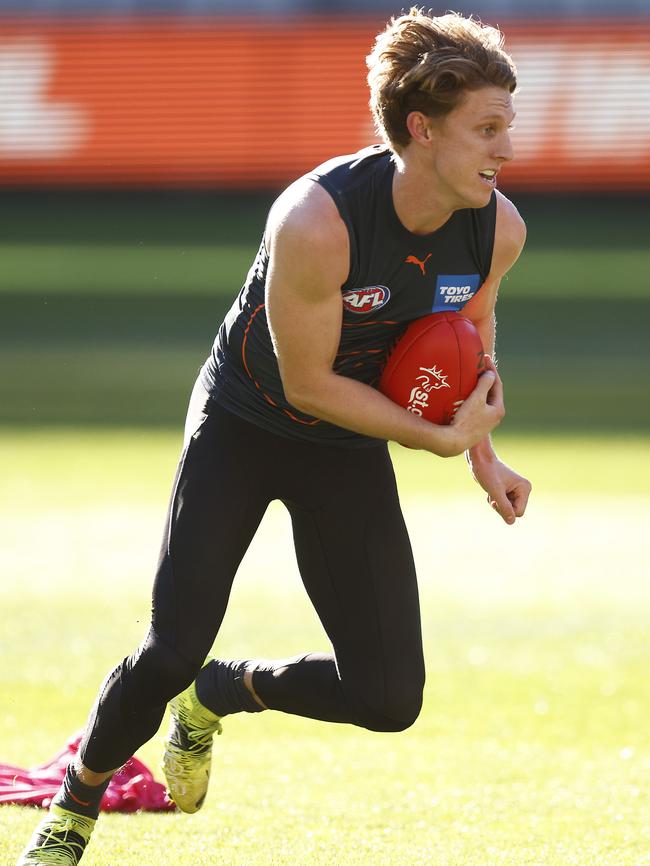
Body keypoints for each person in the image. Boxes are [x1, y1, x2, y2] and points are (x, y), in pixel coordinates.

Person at [18, 7, 532, 863]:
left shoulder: (498, 228)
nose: (506, 151)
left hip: (345, 444)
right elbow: (308, 384)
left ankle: (223, 694)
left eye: (506, 127)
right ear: (421, 128)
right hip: (248, 423)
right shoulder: (316, 220)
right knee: (171, 645)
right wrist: (430, 441)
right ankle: (75, 803)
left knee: (389, 696)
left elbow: (468, 341)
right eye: (486, 129)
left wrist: (481, 452)